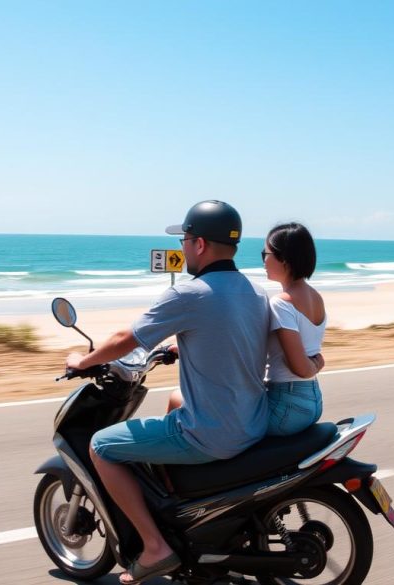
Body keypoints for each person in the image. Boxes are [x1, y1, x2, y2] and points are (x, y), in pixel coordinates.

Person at [66, 200, 269, 585]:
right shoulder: (255, 292)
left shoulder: (189, 295)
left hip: (213, 433)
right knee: (176, 399)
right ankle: (184, 507)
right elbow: (229, 336)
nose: (182, 248)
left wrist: (85, 361)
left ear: (201, 245)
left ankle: (155, 546)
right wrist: (180, 347)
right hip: (251, 421)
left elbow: (126, 339)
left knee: (101, 447)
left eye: (185, 239)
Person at [261, 222, 326, 435]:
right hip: (312, 399)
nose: (263, 260)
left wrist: (313, 365)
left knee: (226, 431)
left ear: (285, 260)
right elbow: (312, 356)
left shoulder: (281, 303)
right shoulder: (316, 297)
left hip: (286, 404)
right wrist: (317, 361)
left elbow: (300, 368)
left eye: (266, 253)